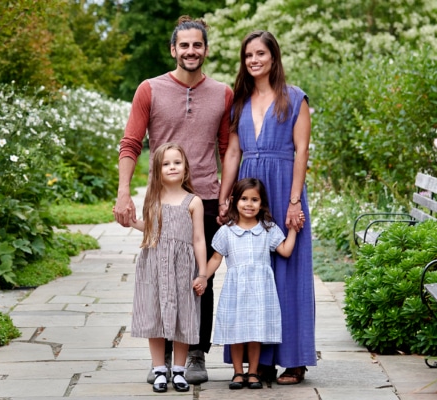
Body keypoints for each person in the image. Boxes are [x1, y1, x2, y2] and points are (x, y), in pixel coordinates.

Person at [113, 15, 233, 385]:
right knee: (160, 274)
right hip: (160, 200)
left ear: (206, 50)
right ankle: (162, 358)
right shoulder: (149, 89)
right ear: (173, 49)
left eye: (198, 45)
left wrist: (227, 194)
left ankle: (195, 353)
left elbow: (228, 148)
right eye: (185, 45)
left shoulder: (223, 93)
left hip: (207, 197)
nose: (191, 51)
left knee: (201, 276)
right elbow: (131, 143)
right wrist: (123, 192)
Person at [217, 30, 316, 385]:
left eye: (260, 53)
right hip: (249, 191)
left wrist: (293, 202)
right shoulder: (239, 101)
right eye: (248, 56)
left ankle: (293, 359)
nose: (254, 60)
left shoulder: (295, 99)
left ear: (273, 57)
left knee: (288, 272)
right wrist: (226, 195)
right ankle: (258, 362)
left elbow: (301, 151)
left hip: (283, 187)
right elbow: (231, 152)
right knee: (251, 274)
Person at [194, 178, 302, 390]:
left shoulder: (268, 229)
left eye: (254, 199)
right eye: (244, 199)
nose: (249, 204)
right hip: (236, 290)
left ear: (262, 204)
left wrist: (293, 229)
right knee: (236, 332)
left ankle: (253, 373)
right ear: (235, 202)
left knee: (255, 333)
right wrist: (203, 276)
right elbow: (216, 258)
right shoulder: (227, 231)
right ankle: (237, 372)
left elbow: (285, 250)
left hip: (261, 291)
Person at [127, 143, 208, 393]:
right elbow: (152, 230)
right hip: (155, 265)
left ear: (185, 168)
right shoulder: (153, 199)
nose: (172, 167)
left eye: (177, 162)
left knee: (184, 315)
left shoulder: (193, 201)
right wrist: (132, 222)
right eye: (165, 163)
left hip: (183, 267)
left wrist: (202, 273)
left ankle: (180, 371)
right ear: (157, 169)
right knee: (156, 314)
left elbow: (198, 239)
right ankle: (159, 369)